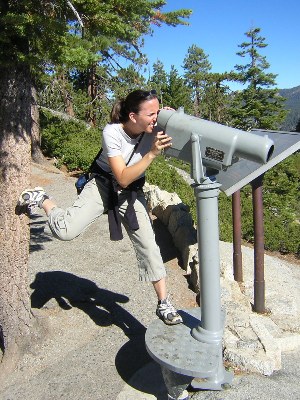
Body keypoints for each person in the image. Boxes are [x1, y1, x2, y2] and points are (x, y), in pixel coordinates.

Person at [18, 89, 183, 326]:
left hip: (131, 192)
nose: (156, 119)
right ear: (133, 116)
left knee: (149, 245)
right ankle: (43, 198)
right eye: (151, 114)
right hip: (104, 185)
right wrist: (152, 154)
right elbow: (122, 177)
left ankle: (163, 302)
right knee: (65, 230)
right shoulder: (112, 133)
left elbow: (183, 130)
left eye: (158, 112)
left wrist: (172, 117)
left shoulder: (155, 126)